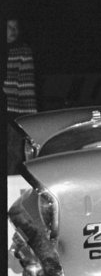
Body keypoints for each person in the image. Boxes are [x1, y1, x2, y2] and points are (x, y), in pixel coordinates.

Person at [6, 17, 37, 174]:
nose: (13, 31)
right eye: (9, 27)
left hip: (12, 116)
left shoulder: (22, 51)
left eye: (15, 27)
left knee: (13, 156)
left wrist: (31, 119)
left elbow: (26, 87)